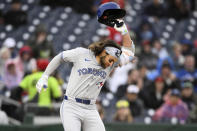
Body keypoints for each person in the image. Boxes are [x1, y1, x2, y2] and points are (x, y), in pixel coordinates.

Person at [36, 14, 135, 131]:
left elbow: (130, 52)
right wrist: (45, 75)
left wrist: (124, 30)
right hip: (71, 105)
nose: (111, 64)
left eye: (113, 62)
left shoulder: (110, 64)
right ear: (104, 52)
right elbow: (60, 57)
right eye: (110, 60)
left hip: (91, 108)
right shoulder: (81, 53)